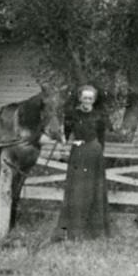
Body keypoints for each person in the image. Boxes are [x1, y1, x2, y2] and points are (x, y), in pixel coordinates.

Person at [52, 85, 110, 241]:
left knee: (94, 190)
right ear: (80, 98)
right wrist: (63, 138)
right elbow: (65, 136)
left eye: (90, 98)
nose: (87, 101)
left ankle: (94, 232)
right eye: (85, 98)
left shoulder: (99, 116)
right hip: (78, 154)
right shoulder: (72, 115)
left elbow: (101, 138)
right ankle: (74, 230)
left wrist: (97, 151)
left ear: (94, 100)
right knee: (76, 191)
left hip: (94, 154)